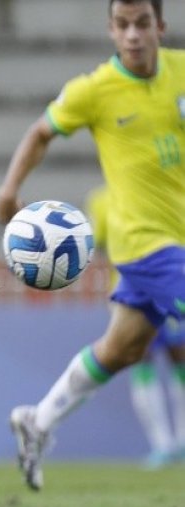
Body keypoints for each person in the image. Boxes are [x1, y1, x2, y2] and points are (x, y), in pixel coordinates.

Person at [0, 0, 185, 491]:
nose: (134, 35)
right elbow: (40, 133)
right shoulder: (94, 90)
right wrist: (9, 190)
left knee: (121, 350)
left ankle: (38, 420)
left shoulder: (183, 72)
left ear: (160, 26)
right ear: (111, 31)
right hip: (145, 247)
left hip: (178, 240)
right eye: (123, 26)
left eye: (143, 24)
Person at [88, 187, 185, 469]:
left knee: (179, 356)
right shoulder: (101, 200)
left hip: (169, 283)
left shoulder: (163, 185)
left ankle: (181, 440)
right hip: (128, 292)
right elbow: (97, 245)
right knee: (141, 359)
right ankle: (162, 445)